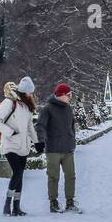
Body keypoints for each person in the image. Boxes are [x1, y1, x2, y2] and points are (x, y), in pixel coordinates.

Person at [0, 76, 39, 216]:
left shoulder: (27, 106)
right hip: (10, 145)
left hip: (23, 146)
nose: (31, 95)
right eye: (29, 92)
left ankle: (16, 207)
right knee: (17, 173)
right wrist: (10, 132)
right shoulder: (9, 102)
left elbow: (30, 126)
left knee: (20, 175)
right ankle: (7, 204)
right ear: (24, 92)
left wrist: (37, 142)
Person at [36, 83, 80, 213]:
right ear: (61, 95)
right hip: (53, 149)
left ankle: (70, 202)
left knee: (71, 176)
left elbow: (71, 126)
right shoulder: (47, 109)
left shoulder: (68, 108)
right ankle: (53, 202)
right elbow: (40, 126)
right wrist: (41, 140)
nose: (70, 97)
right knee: (53, 176)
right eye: (69, 95)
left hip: (68, 149)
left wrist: (72, 139)